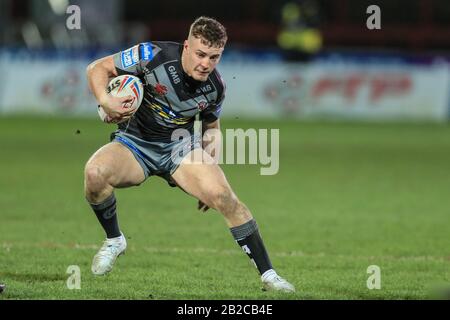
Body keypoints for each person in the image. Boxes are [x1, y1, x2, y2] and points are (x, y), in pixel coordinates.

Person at [85, 16, 295, 293]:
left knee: (224, 197)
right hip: (134, 143)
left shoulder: (215, 87)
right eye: (200, 54)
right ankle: (115, 240)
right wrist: (105, 100)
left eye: (214, 57)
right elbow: (97, 67)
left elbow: (212, 129)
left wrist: (211, 166)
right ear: (186, 46)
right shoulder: (152, 55)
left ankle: (269, 276)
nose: (206, 63)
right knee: (94, 174)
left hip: (178, 147)